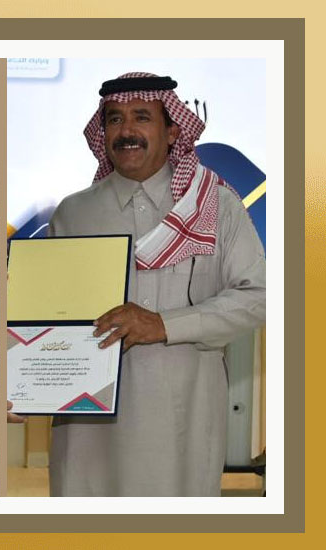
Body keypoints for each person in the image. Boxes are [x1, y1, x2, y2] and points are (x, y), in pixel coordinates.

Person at [47, 72, 265, 496]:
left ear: (173, 131)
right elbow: (44, 315)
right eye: (114, 119)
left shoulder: (216, 205)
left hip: (181, 415)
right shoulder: (73, 213)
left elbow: (259, 296)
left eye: (141, 117)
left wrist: (163, 324)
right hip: (87, 425)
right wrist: (27, 381)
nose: (126, 130)